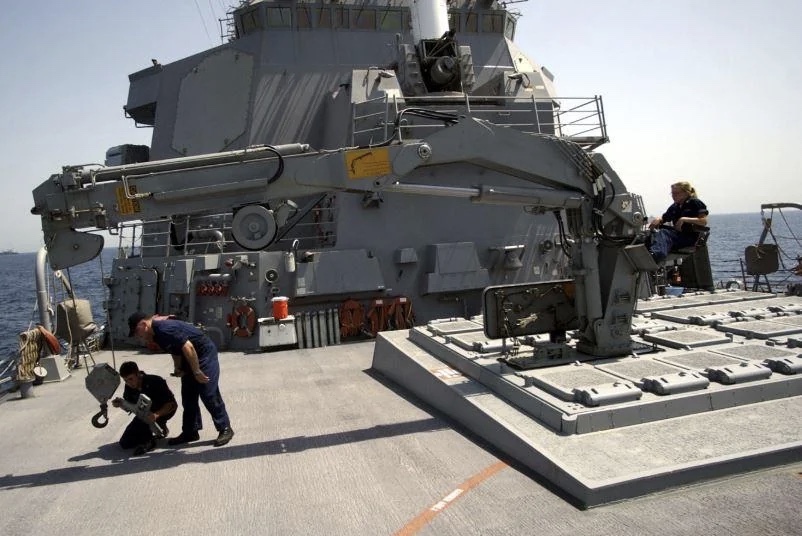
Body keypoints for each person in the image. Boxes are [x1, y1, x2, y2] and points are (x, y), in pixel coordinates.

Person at [128, 312, 235, 447]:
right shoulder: (156, 335)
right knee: (188, 396)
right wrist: (178, 368)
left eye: (136, 332)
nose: (137, 336)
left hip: (203, 354)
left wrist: (196, 371)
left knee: (208, 393)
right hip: (188, 357)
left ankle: (225, 428)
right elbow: (175, 349)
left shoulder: (164, 328)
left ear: (144, 325)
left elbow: (188, 346)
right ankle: (191, 431)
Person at [112, 361, 177, 456]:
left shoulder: (155, 381)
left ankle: (150, 441)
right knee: (125, 443)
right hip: (144, 414)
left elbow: (171, 405)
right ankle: (157, 429)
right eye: (125, 380)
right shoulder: (129, 387)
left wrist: (156, 415)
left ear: (138, 374)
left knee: (145, 429)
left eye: (131, 379)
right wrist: (121, 404)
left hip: (164, 411)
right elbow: (131, 407)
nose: (129, 383)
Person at [647, 181, 709, 263]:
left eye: (676, 193)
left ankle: (655, 256)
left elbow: (703, 221)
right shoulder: (675, 206)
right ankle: (646, 256)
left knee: (664, 233)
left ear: (686, 193)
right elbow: (664, 218)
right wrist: (658, 220)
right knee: (650, 234)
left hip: (688, 238)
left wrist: (683, 219)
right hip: (677, 236)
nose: (673, 196)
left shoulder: (695, 202)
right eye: (672, 193)